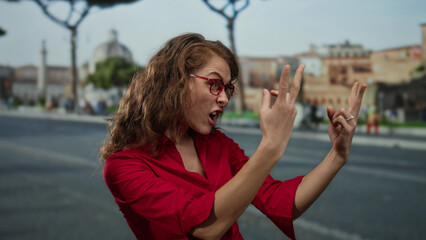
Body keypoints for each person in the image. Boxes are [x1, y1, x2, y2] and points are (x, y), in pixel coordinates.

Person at [101, 33, 367, 240]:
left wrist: (337, 156)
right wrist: (271, 146)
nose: (225, 98)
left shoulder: (220, 146)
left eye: (228, 88)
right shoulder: (124, 165)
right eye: (214, 84)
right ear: (176, 81)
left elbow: (281, 202)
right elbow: (205, 229)